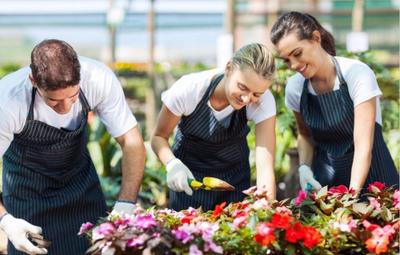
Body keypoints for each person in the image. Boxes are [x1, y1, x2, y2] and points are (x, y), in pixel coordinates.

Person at [0, 39, 146, 255]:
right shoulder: (8, 101)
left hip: (80, 188)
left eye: (73, 96)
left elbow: (131, 141)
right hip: (27, 193)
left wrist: (126, 203)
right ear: (33, 80)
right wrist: (6, 221)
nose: (65, 108)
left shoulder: (98, 78)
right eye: (54, 101)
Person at [270, 12, 399, 193]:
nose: (294, 65)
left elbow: (363, 148)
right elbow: (305, 135)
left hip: (375, 184)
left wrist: (350, 199)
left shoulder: (356, 74)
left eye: (297, 53)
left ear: (316, 38)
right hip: (327, 185)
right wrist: (304, 167)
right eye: (287, 60)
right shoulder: (296, 87)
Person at [151, 43, 277, 211]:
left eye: (256, 94)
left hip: (234, 183)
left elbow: (265, 165)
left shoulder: (264, 101)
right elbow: (158, 137)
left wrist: (266, 209)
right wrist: (172, 164)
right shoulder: (189, 89)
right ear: (229, 68)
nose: (247, 99)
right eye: (242, 87)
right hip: (188, 180)